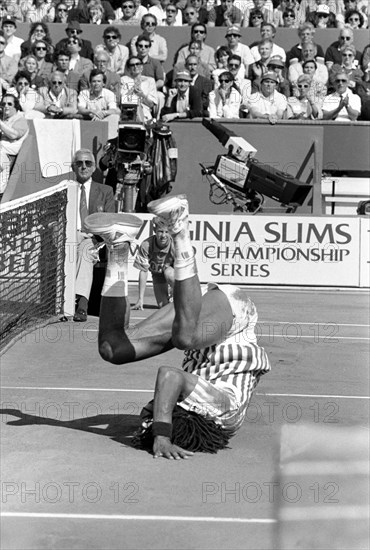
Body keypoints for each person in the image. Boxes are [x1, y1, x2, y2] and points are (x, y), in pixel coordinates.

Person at [83, 194, 271, 458]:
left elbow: (159, 403)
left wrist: (154, 425)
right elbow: (170, 376)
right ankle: (180, 226)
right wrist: (161, 436)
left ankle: (118, 244)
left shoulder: (181, 406)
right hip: (232, 318)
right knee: (186, 337)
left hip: (192, 315)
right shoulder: (224, 413)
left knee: (112, 349)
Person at [71, 148, 115, 322]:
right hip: (69, 237)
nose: (83, 166)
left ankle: (81, 305)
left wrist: (90, 235)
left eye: (88, 163)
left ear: (94, 166)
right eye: (79, 163)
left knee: (85, 249)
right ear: (73, 167)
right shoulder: (64, 189)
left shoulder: (105, 191)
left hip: (94, 240)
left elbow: (110, 222)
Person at [132, 217, 175, 310]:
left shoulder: (174, 245)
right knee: (163, 307)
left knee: (169, 273)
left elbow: (183, 270)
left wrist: (174, 290)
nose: (163, 235)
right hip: (158, 276)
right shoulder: (146, 245)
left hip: (172, 274)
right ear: (155, 230)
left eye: (167, 232)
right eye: (160, 231)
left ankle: (182, 298)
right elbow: (143, 271)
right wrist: (140, 299)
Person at [0, 93, 29, 199]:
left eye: (9, 104)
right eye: (3, 104)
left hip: (9, 157)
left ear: (15, 106)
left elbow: (13, 135)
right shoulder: (4, 120)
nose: (6, 106)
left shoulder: (20, 120)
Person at [120, 55, 158, 122]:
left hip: (145, 113)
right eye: (132, 65)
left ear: (142, 67)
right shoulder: (123, 80)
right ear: (128, 68)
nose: (135, 67)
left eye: (138, 64)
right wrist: (133, 89)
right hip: (128, 112)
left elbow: (151, 104)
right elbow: (122, 100)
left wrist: (142, 95)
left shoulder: (150, 81)